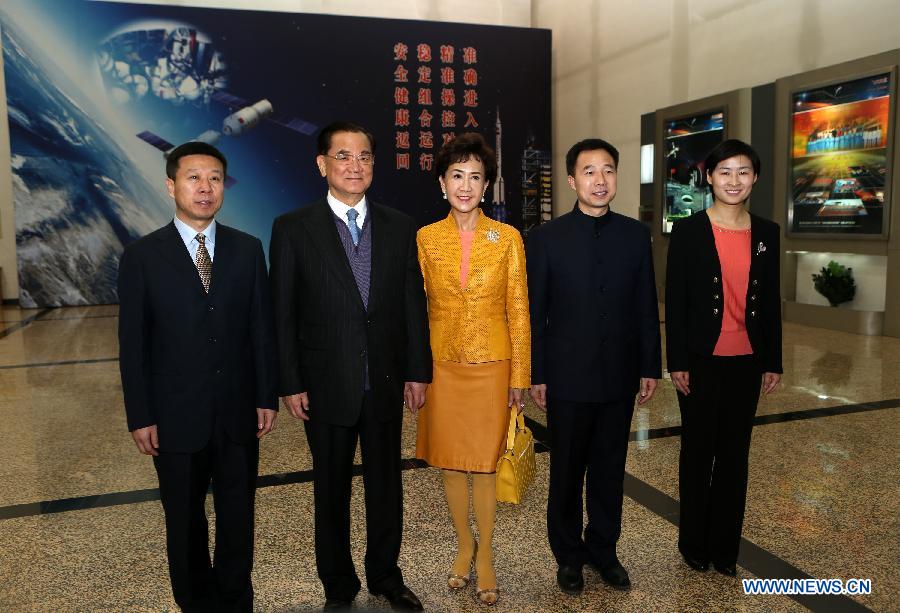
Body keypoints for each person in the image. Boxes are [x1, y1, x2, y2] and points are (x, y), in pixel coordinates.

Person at [269, 121, 432, 611]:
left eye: (364, 156)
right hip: (324, 384)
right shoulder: (293, 227)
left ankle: (385, 575)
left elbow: (411, 305)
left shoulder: (401, 226)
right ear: (322, 165)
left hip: (383, 380)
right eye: (343, 156)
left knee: (387, 487)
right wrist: (290, 380)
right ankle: (338, 584)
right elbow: (284, 311)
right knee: (330, 489)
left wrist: (418, 371)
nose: (354, 166)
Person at [118, 141, 278, 612]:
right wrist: (140, 414)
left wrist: (265, 395)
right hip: (173, 415)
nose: (204, 188)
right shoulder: (143, 257)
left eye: (213, 178)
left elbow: (260, 331)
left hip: (236, 412)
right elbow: (133, 345)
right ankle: (195, 604)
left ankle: (235, 601)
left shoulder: (248, 250)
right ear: (171, 186)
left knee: (237, 518)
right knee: (184, 522)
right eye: (193, 178)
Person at [527, 138, 661, 595]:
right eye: (589, 171)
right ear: (571, 180)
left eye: (607, 171)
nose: (599, 180)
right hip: (566, 376)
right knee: (566, 471)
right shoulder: (545, 239)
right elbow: (535, 313)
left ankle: (604, 550)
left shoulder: (634, 235)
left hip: (619, 374)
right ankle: (568, 556)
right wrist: (537, 372)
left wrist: (650, 365)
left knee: (609, 468)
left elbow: (646, 305)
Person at [414, 132, 530, 606]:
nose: (465, 185)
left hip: (492, 365)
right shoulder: (424, 238)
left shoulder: (507, 239)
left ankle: (485, 558)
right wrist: (413, 371)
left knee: (484, 464)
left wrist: (520, 377)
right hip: (441, 364)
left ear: (487, 187)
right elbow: (414, 309)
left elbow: (519, 310)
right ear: (442, 183)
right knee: (449, 461)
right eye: (456, 176)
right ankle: (463, 546)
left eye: (475, 177)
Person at [665, 139, 782, 577]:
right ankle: (694, 543)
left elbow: (770, 303)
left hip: (748, 360)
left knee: (735, 456)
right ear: (709, 177)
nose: (735, 180)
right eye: (725, 172)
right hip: (701, 359)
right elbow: (675, 302)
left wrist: (773, 359)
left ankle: (725, 549)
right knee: (698, 453)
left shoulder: (767, 233)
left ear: (755, 179)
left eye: (744, 172)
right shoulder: (689, 231)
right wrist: (677, 359)